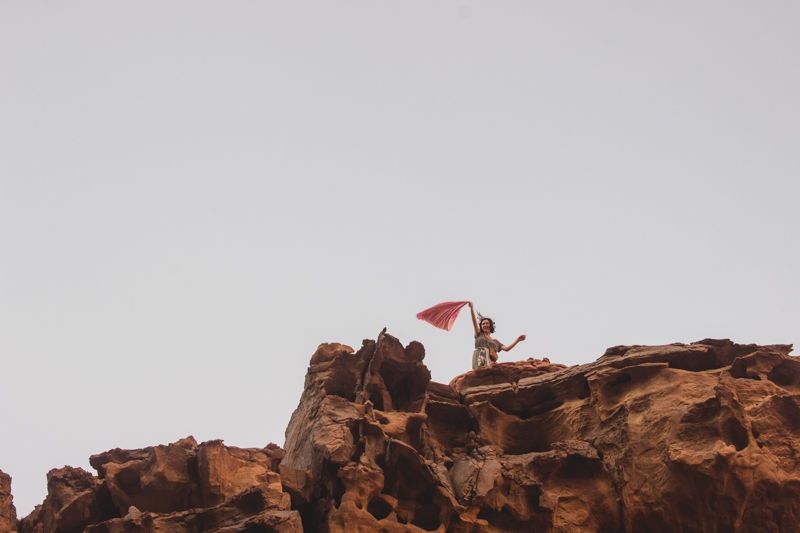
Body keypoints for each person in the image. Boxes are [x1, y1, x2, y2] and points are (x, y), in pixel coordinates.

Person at [468, 301, 526, 369]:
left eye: (487, 323)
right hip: (480, 357)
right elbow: (474, 321)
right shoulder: (479, 334)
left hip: (491, 360)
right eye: (483, 324)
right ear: (481, 327)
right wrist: (471, 308)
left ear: (490, 325)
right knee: (481, 370)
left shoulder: (495, 342)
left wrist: (518, 340)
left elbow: (507, 349)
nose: (485, 325)